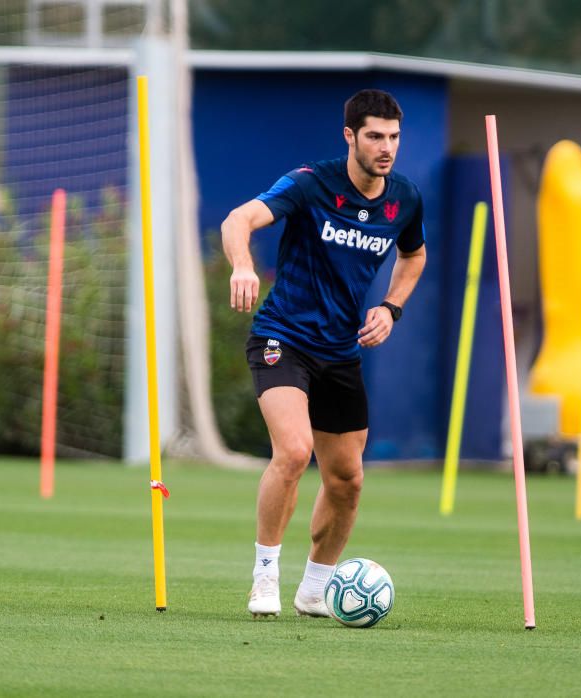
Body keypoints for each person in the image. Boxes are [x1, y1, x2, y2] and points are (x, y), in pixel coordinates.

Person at [220, 89, 427, 618]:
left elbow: (414, 253)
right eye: (375, 136)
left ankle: (315, 590)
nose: (387, 148)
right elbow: (236, 221)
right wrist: (243, 265)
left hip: (340, 351)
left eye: (394, 137)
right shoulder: (311, 184)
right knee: (292, 451)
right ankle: (264, 578)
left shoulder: (404, 198)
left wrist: (391, 308)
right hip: (282, 338)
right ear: (350, 136)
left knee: (348, 479)